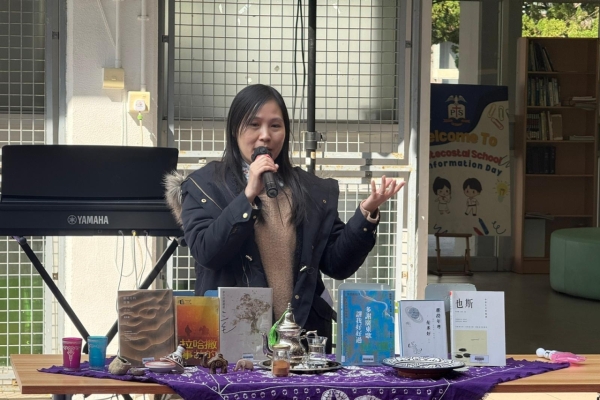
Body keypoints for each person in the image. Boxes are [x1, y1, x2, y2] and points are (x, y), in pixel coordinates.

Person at [165, 84, 403, 351]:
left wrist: (366, 214)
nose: (265, 136)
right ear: (234, 130)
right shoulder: (204, 186)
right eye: (254, 124)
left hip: (301, 339)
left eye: (275, 126)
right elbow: (206, 252)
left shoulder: (311, 190)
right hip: (233, 338)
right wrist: (247, 195)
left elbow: (337, 264)